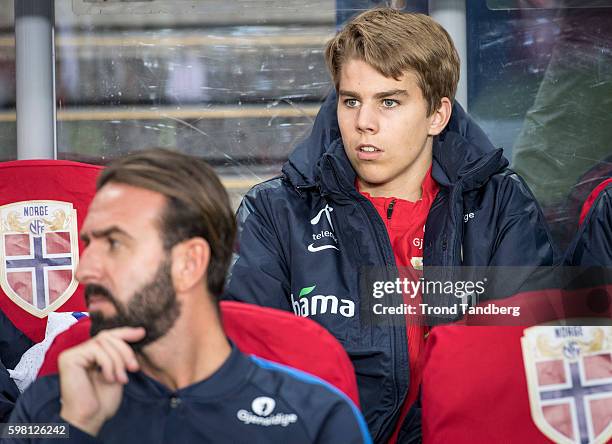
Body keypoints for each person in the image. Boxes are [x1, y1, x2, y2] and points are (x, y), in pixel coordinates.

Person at [224, 8, 556, 443]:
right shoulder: (276, 213)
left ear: (437, 115)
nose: (364, 122)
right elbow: (250, 374)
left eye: (389, 101)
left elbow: (526, 368)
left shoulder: (500, 207)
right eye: (351, 100)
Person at [7, 149, 371, 444]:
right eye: (88, 244)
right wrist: (74, 428)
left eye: (114, 244)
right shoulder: (48, 405)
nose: (83, 271)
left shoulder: (313, 414)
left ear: (189, 262)